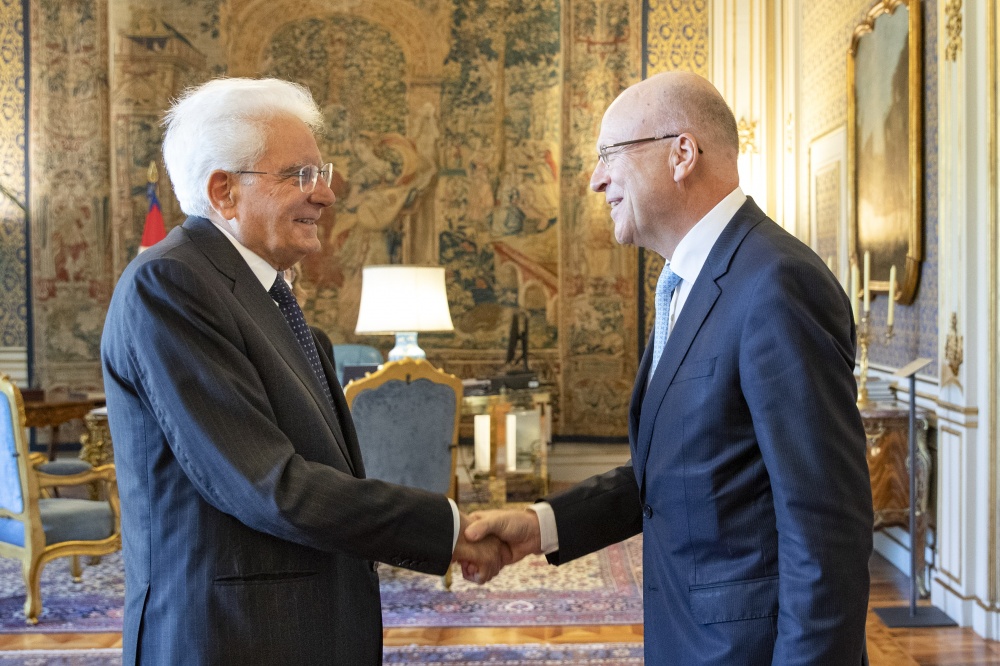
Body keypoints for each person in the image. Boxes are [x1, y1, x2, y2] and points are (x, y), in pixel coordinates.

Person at [465, 71, 873, 665]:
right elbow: (677, 474)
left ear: (682, 153)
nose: (595, 178)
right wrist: (542, 524)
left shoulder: (777, 283)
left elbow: (826, 526)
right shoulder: (688, 281)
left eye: (609, 155)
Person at [101, 77, 509, 665]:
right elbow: (269, 485)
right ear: (224, 191)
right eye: (300, 176)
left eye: (322, 172)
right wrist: (447, 529)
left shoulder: (273, 303)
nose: (326, 194)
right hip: (230, 637)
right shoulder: (170, 283)